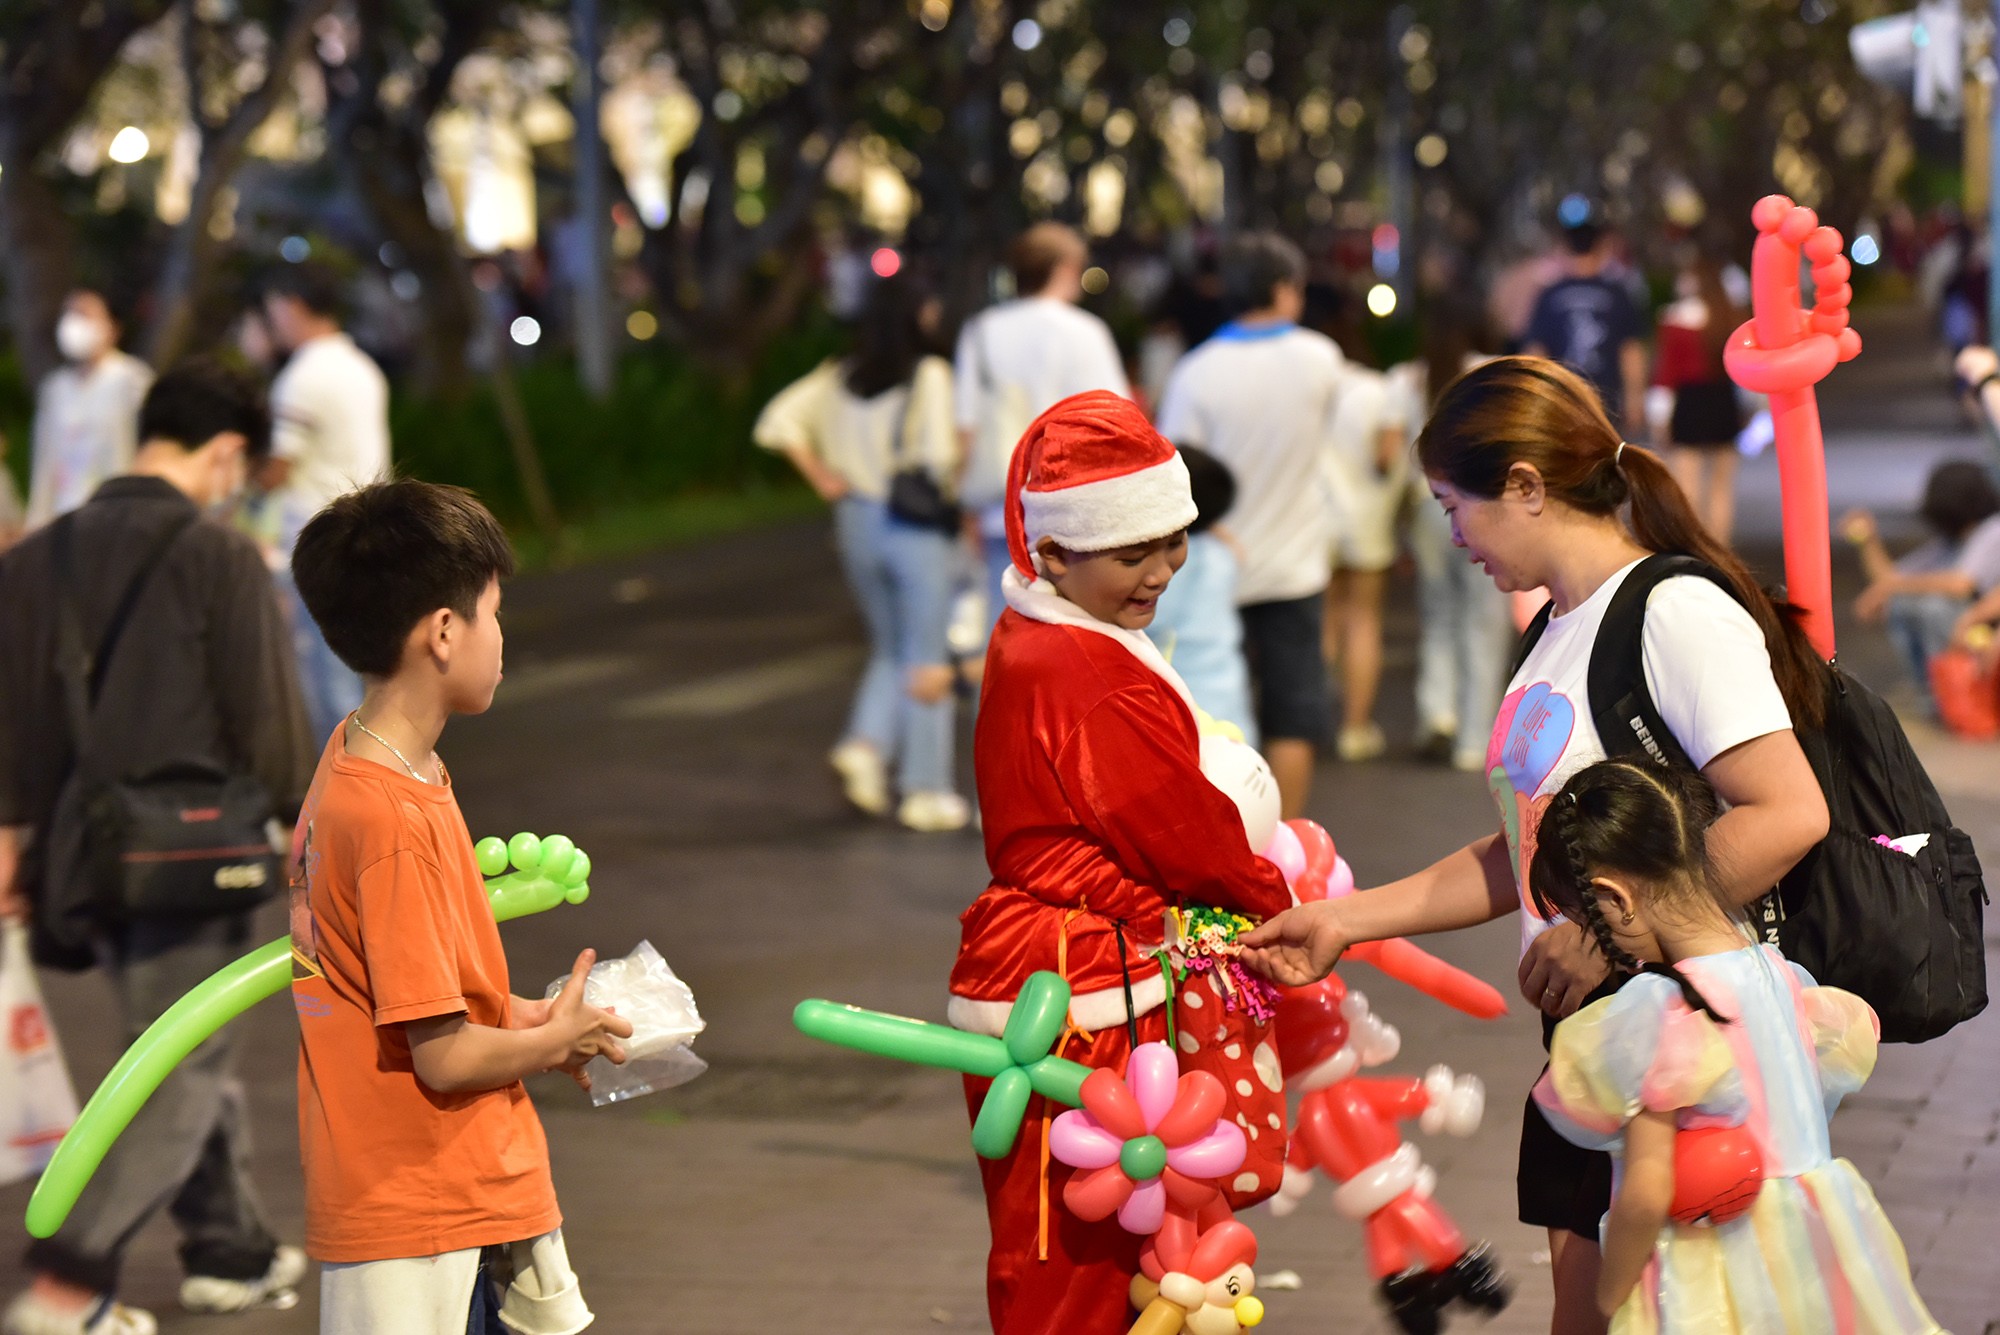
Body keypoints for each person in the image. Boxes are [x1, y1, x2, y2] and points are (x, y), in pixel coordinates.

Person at [1236, 357, 1831, 1335]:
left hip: (1688, 1052)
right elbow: (1522, 855)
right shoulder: (1555, 627)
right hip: (1594, 1041)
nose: (1453, 535)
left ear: (1523, 485)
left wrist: (1607, 933)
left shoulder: (1671, 612)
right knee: (1589, 1313)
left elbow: (1784, 812)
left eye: (1452, 505)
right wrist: (1341, 920)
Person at [949, 392, 1292, 1334]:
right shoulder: (1086, 674)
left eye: (1170, 542)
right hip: (1078, 985)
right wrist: (1278, 901)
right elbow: (1188, 834)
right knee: (1084, 1257)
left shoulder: (1040, 631)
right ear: (1052, 550)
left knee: (1070, 1242)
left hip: (1052, 968)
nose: (1161, 572)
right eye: (1131, 552)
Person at [0, 360, 314, 1335]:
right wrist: (302, 821)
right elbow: (266, 720)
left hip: (79, 857)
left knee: (175, 1040)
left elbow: (10, 722)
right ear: (225, 453)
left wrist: (12, 840)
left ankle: (233, 1251)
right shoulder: (217, 557)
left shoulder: (33, 560)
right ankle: (68, 1281)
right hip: (195, 854)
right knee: (183, 1063)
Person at [287, 479, 632, 1331]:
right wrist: (550, 1040)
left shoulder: (371, 762)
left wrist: (538, 1019)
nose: (502, 637)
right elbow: (439, 1053)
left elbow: (417, 995)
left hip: (443, 1189)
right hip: (427, 1202)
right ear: (444, 631)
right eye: (494, 613)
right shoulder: (389, 815)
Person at [1528, 759, 1943, 1333]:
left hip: (1711, 1286)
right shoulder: (1785, 979)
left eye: (1585, 919)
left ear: (1614, 898)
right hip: (1813, 1266)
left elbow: (1647, 1194)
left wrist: (1605, 1295)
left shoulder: (1666, 1009)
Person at [753, 273, 969, 832]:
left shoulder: (838, 376)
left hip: (854, 519)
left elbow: (778, 421)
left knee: (890, 647)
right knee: (927, 655)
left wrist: (823, 476)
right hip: (913, 520)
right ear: (918, 317)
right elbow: (938, 455)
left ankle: (866, 746)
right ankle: (926, 791)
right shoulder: (930, 373)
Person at [1157, 231, 1342, 817]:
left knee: (1214, 717)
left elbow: (1175, 470)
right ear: (1285, 289)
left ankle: (1224, 841)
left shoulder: (1197, 371)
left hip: (1212, 568)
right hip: (1294, 566)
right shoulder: (1321, 359)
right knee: (1293, 712)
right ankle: (1285, 845)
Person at [954, 223, 1130, 633]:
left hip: (1004, 507)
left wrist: (966, 505)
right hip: (1076, 509)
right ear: (1066, 268)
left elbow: (967, 428)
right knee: (1082, 633)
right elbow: (1113, 423)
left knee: (1008, 626)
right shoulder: (1085, 332)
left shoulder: (979, 331)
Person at [259, 262, 392, 745]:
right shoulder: (363, 368)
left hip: (316, 542)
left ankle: (346, 792)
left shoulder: (301, 379)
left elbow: (277, 469)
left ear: (292, 306)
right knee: (362, 674)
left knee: (325, 681)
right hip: (369, 534)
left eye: (274, 310)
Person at [1405, 330, 1512, 771]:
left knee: (1439, 616)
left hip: (1426, 507)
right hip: (1483, 506)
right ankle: (1474, 739)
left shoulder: (1408, 378)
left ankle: (1438, 715)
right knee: (1483, 622)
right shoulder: (1492, 375)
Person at [1843, 460, 2000, 709]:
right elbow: (1892, 578)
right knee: (1901, 603)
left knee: (1931, 606)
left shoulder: (1993, 530)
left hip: (1982, 627)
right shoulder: (1950, 542)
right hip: (1969, 629)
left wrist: (1891, 588)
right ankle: (1935, 697)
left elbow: (1961, 584)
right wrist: (1868, 541)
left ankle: (1959, 698)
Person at [1321, 353, 1410, 763]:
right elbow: (1386, 456)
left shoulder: (1318, 384)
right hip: (1366, 517)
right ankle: (1354, 728)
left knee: (1326, 619)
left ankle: (1317, 721)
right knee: (1363, 620)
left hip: (1318, 515)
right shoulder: (1380, 389)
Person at [1145, 446, 1256, 743]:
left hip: (1185, 712)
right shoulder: (1223, 554)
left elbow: (1149, 620)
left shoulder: (1161, 569)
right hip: (1230, 704)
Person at [24, 290, 154, 531]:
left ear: (112, 328)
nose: (75, 323)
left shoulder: (132, 381)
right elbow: (44, 466)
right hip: (63, 519)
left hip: (117, 518)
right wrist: (37, 523)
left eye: (85, 314)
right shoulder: (55, 389)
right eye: (70, 314)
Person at [1524, 202, 1648, 439]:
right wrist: (1635, 400)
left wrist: (1532, 398)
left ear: (1566, 248)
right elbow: (1631, 352)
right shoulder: (1618, 293)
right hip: (1605, 400)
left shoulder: (1550, 295)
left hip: (1562, 397)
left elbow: (1535, 351)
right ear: (1601, 248)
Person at [1650, 257, 1748, 544]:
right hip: (1723, 400)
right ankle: (1721, 549)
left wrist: (1659, 418)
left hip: (1689, 403)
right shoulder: (1729, 317)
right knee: (1721, 487)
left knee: (1687, 487)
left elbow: (1666, 374)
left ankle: (1695, 550)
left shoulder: (1675, 320)